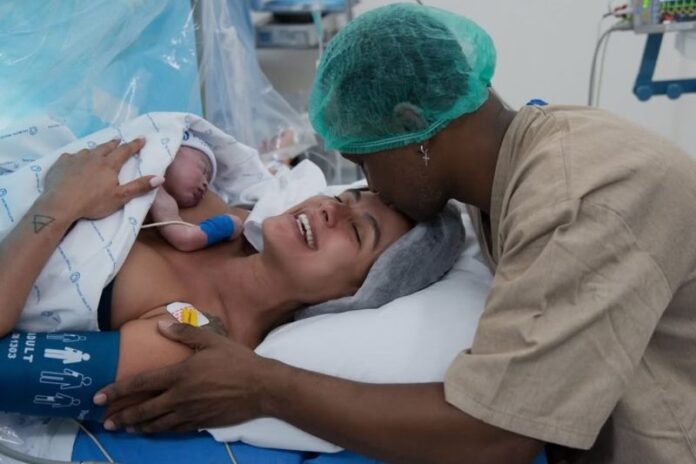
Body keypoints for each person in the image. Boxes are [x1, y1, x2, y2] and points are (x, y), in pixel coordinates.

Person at [94, 4, 696, 463]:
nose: (364, 189)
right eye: (348, 189)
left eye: (364, 166)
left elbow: (500, 432)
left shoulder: (578, 197)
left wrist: (262, 387)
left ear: (415, 128)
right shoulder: (516, 169)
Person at [1, 133, 467, 423]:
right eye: (346, 199)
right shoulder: (216, 212)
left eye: (357, 232)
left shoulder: (190, 336)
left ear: (354, 295)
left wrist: (58, 205)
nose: (330, 209)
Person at [148, 131, 243, 252]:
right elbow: (185, 238)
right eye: (204, 170)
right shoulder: (147, 171)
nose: (206, 184)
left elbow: (184, 236)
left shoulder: (159, 195)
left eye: (207, 180)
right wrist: (225, 226)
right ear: (174, 150)